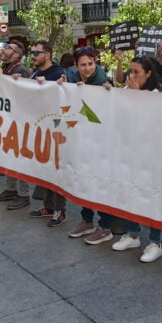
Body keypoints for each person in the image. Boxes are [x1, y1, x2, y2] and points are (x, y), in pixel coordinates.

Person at [109, 56, 162, 261]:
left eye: (136, 72)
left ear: (148, 74)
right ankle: (132, 233)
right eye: (130, 71)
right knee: (128, 192)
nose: (131, 76)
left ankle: (155, 242)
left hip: (150, 155)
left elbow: (153, 124)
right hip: (128, 152)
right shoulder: (126, 91)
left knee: (151, 196)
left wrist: (135, 97)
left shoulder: (156, 95)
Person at [66, 47, 115, 243]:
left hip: (101, 142)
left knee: (100, 182)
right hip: (83, 139)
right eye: (83, 65)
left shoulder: (102, 81)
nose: (87, 68)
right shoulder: (74, 78)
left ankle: (105, 226)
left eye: (90, 64)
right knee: (84, 180)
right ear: (76, 66)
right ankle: (87, 220)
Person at [26, 40, 67, 227]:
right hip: (40, 128)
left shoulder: (57, 73)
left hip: (55, 129)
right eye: (32, 52)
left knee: (56, 172)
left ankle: (60, 211)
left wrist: (49, 85)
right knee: (45, 170)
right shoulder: (37, 72)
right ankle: (48, 207)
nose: (33, 56)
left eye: (36, 52)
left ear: (47, 55)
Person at [0, 42, 34, 208]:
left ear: (16, 54)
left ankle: (23, 194)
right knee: (8, 155)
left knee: (20, 157)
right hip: (7, 120)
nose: (3, 49)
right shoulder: (6, 68)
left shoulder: (20, 70)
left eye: (8, 47)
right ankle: (10, 189)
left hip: (20, 121)